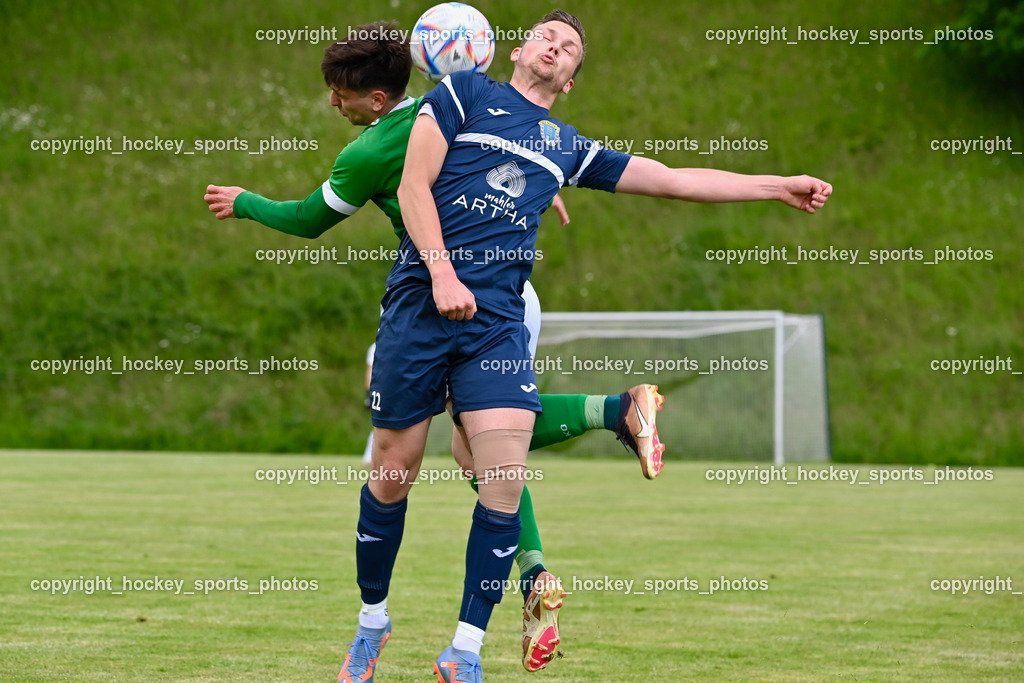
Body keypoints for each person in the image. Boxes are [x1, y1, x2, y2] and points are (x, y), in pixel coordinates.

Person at [364, 9, 832, 682]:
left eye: (571, 47)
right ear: (519, 49)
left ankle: (464, 650)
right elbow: (414, 182)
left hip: (494, 319)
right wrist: (440, 270)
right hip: (421, 299)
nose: (556, 44)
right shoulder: (464, 92)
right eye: (548, 34)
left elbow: (673, 178)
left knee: (499, 471)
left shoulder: (566, 145)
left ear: (571, 80)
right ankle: (373, 621)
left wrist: (773, 186)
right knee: (396, 465)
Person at [202, 21, 666, 679]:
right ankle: (601, 439)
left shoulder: (376, 147)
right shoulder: (450, 103)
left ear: (373, 94)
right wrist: (546, 182)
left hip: (470, 300)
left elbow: (308, 219)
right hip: (491, 293)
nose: (334, 104)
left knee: (478, 446)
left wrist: (242, 200)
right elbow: (513, 143)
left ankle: (587, 469)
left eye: (340, 93)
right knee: (475, 448)